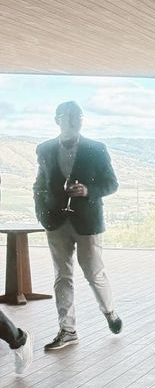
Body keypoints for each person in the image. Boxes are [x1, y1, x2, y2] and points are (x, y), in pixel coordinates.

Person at [34, 101, 122, 351]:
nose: (75, 120)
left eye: (79, 116)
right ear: (57, 119)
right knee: (62, 276)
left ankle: (110, 312)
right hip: (55, 221)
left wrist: (89, 190)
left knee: (94, 272)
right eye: (69, 116)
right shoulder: (44, 149)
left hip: (88, 221)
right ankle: (67, 329)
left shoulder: (97, 149)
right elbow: (39, 184)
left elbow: (112, 183)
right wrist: (41, 212)